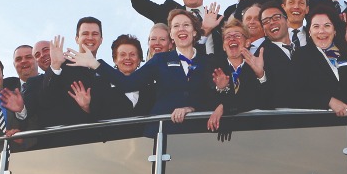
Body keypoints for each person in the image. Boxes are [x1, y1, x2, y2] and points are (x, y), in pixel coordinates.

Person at [66, 10, 216, 131]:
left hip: (197, 134)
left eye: (186, 25)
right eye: (176, 26)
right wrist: (95, 63)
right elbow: (128, 84)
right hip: (162, 134)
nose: (181, 29)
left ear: (195, 32)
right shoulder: (159, 60)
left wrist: (192, 108)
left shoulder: (208, 61)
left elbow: (212, 97)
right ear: (171, 34)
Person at [293, 7, 347, 115]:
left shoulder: (345, 53)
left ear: (334, 31)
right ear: (309, 32)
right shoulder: (301, 55)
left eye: (327, 26)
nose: (321, 31)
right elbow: (296, 94)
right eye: (316, 26)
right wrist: (329, 101)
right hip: (319, 121)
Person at [67, 35, 156, 120]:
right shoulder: (100, 84)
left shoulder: (150, 85)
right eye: (122, 55)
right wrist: (86, 107)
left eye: (132, 54)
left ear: (139, 59)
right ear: (115, 60)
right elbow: (94, 119)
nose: (127, 58)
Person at [202, 19, 269, 128]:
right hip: (220, 132)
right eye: (228, 37)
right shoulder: (213, 66)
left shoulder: (256, 66)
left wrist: (261, 75)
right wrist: (222, 89)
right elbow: (206, 100)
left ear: (247, 43)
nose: (232, 38)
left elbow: (263, 101)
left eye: (237, 35)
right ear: (223, 46)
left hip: (252, 130)